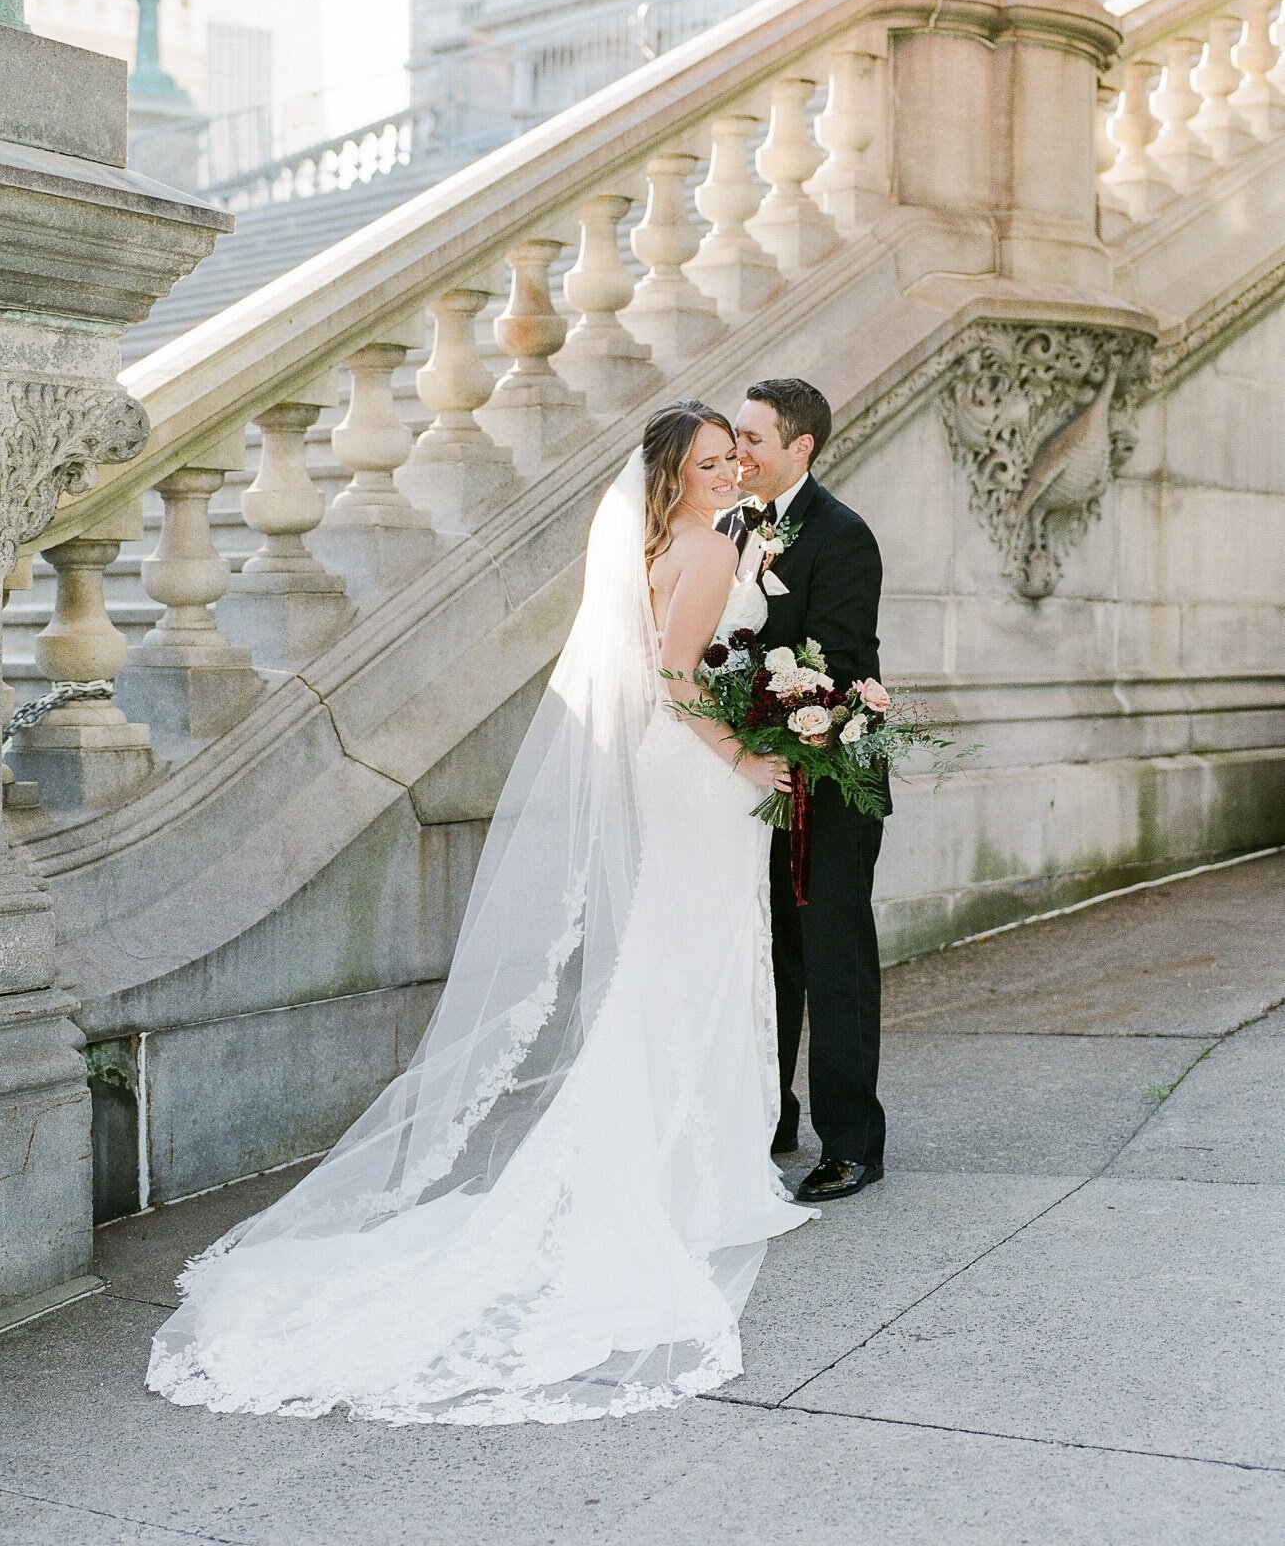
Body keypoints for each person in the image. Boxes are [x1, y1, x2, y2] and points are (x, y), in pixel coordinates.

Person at [146, 400, 814, 1428]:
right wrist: (750, 752)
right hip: (703, 775)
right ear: (673, 475)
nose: (730, 474)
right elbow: (682, 682)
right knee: (697, 960)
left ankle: (706, 1156)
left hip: (687, 776)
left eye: (735, 459)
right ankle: (693, 1172)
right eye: (712, 462)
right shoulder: (711, 552)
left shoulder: (681, 545)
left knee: (686, 961)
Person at [727, 378, 889, 1203]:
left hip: (831, 779)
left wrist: (752, 709)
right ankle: (771, 1116)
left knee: (833, 959)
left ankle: (853, 1144)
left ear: (801, 449)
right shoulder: (727, 526)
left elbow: (837, 662)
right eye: (738, 436)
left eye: (753, 439)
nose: (737, 452)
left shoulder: (842, 535)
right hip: (751, 780)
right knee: (766, 957)